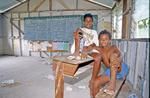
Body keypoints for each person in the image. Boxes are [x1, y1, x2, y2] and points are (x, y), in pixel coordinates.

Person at [87, 30, 129, 98]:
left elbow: (120, 55)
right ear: (99, 40)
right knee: (95, 83)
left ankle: (112, 86)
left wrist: (119, 59)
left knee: (113, 56)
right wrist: (86, 49)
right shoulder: (99, 49)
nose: (103, 41)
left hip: (119, 69)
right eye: (101, 39)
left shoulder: (113, 47)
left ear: (109, 40)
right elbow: (89, 48)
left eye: (106, 39)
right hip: (110, 72)